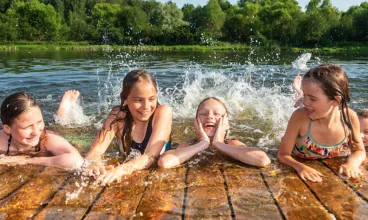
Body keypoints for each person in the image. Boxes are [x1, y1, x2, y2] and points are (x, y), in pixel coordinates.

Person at [278, 64, 366, 182]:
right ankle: (299, 91)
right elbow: (282, 155)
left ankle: (300, 91)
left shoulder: (349, 118)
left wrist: (351, 163)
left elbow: (359, 150)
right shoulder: (299, 117)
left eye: (312, 98)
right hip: (301, 147)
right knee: (299, 104)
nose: (306, 102)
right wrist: (300, 167)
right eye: (305, 96)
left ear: (336, 100)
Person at [83, 69, 172, 185]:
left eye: (151, 99)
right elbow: (95, 152)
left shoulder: (163, 112)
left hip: (159, 176)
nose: (146, 106)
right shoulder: (118, 116)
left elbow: (151, 156)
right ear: (125, 99)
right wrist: (95, 164)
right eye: (138, 100)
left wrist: (120, 170)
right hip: (131, 172)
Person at [157, 97, 271, 168]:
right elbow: (164, 162)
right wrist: (202, 144)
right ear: (196, 123)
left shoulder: (232, 144)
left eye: (216, 114)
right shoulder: (188, 145)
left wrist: (219, 143)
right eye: (203, 114)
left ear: (226, 124)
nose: (210, 117)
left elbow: (262, 160)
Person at [0, 91, 84, 169]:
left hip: (53, 133)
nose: (36, 132)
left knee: (60, 127)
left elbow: (76, 161)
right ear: (7, 129)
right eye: (27, 127)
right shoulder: (2, 140)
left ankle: (63, 111)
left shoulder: (46, 139)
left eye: (39, 122)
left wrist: (25, 160)